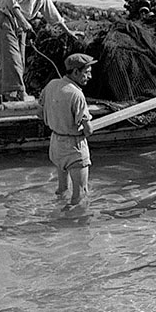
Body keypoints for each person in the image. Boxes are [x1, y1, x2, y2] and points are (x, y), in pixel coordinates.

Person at [0, 0, 79, 102]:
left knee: (18, 61)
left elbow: (52, 14)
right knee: (13, 61)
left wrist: (67, 31)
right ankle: (18, 94)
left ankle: (3, 94)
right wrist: (24, 22)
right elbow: (11, 2)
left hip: (20, 27)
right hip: (5, 22)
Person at [38, 52, 96, 212]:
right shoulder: (76, 94)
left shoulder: (51, 85)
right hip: (74, 147)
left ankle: (54, 214)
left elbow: (39, 112)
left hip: (56, 143)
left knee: (62, 189)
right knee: (80, 195)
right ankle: (68, 227)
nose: (89, 77)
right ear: (76, 72)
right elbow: (88, 130)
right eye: (87, 72)